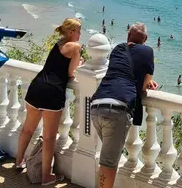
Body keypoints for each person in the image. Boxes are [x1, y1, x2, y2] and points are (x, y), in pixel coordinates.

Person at [15, 18, 83, 185]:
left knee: (27, 129)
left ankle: (18, 161)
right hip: (53, 91)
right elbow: (71, 73)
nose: (80, 34)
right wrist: (80, 63)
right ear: (71, 32)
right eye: (78, 31)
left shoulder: (59, 43)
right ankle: (46, 176)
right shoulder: (76, 47)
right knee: (49, 137)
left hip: (37, 86)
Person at [90, 23, 158, 188]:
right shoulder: (148, 51)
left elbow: (122, 72)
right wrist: (147, 83)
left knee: (108, 158)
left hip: (97, 105)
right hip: (116, 110)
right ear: (145, 39)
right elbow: (143, 87)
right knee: (108, 163)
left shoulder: (118, 49)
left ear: (128, 35)